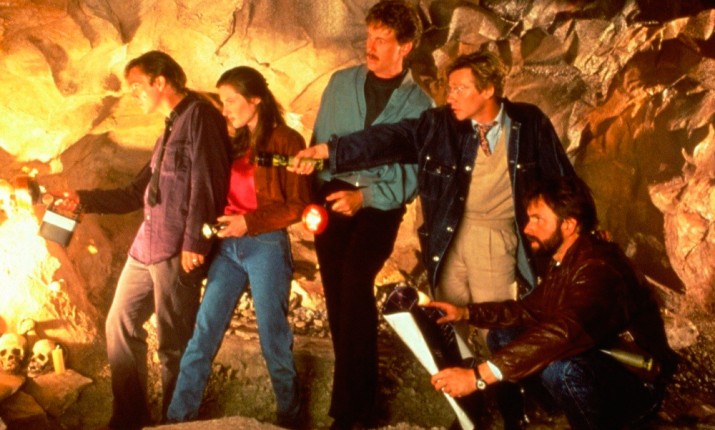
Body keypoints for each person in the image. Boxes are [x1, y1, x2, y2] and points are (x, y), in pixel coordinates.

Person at [293, 49, 575, 326]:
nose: (450, 97)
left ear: (488, 89)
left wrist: (578, 237)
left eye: (460, 89)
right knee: (449, 329)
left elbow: (563, 181)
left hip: (496, 240)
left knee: (496, 329)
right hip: (448, 239)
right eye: (450, 89)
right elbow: (389, 139)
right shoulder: (440, 124)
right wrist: (329, 151)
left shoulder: (528, 123)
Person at [56, 51, 231, 428]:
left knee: (174, 343)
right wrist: (82, 199)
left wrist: (196, 243)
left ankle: (176, 421)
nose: (133, 94)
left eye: (137, 86)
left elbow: (209, 183)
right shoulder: (169, 128)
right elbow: (136, 192)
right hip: (146, 245)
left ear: (160, 81)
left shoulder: (201, 117)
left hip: (177, 250)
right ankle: (130, 416)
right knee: (119, 323)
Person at [425, 176, 679, 430]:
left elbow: (566, 330)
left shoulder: (599, 267)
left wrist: (478, 377)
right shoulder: (567, 258)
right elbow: (528, 310)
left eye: (538, 219)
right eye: (529, 218)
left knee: (561, 368)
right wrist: (465, 312)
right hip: (599, 360)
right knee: (502, 336)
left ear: (568, 225)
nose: (527, 228)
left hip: (639, 382)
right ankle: (554, 412)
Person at [306, 1, 433, 428]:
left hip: (380, 205)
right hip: (333, 197)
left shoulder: (422, 105)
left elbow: (414, 176)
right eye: (369, 36)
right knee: (337, 291)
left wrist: (366, 197)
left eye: (382, 39)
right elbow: (320, 144)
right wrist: (316, 188)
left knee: (356, 281)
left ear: (406, 47)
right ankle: (355, 401)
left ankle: (352, 413)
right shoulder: (340, 83)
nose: (370, 46)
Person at [166, 66, 311, 428]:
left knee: (272, 335)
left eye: (231, 100)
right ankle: (177, 419)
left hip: (265, 246)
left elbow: (297, 205)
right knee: (204, 332)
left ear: (255, 99)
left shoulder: (286, 142)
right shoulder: (234, 144)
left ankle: (291, 418)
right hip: (227, 248)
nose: (226, 109)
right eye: (222, 101)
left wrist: (249, 221)